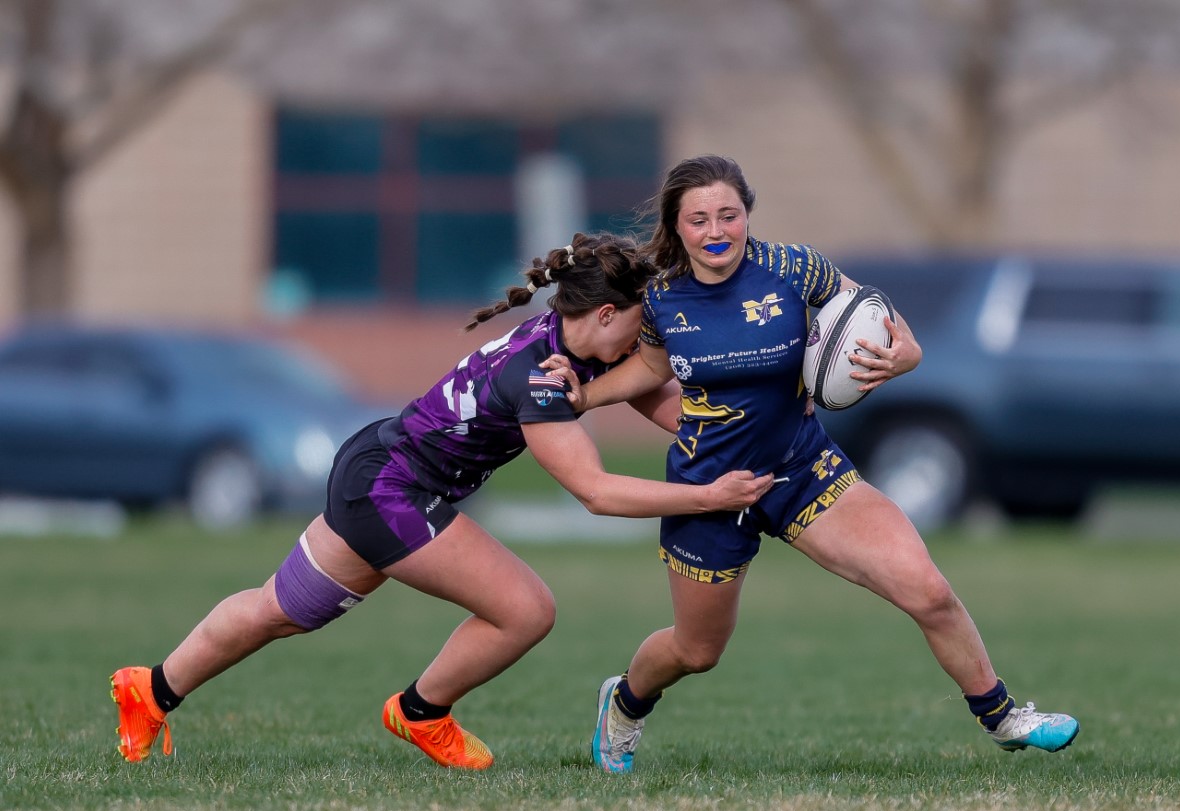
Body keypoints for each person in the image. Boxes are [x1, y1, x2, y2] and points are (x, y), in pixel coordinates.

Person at [110, 231, 773, 770]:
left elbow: (677, 405)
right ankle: (421, 710)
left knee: (281, 611)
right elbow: (595, 492)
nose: (645, 342)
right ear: (604, 314)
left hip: (375, 467)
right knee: (525, 609)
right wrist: (705, 494)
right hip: (392, 489)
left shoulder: (575, 348)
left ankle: (150, 688)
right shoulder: (540, 376)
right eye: (638, 326)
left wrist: (759, 420)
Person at [550, 156, 1078, 774]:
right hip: (710, 488)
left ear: (748, 214)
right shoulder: (664, 298)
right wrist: (584, 396)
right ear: (678, 226)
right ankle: (625, 704)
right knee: (696, 651)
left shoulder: (794, 268)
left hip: (804, 468)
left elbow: (872, 315)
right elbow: (649, 371)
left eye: (729, 214)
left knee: (928, 591)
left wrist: (904, 353)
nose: (716, 230)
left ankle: (1003, 715)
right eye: (699, 220)